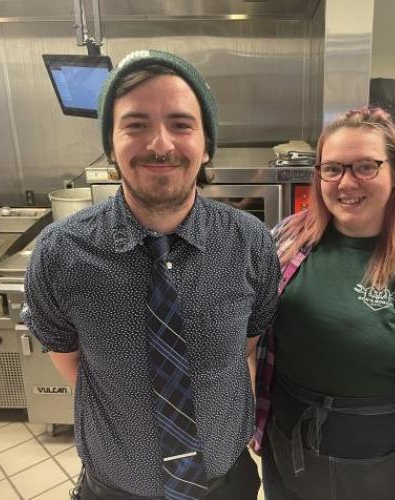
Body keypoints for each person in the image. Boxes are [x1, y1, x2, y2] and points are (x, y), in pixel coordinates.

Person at [22, 50, 280, 500]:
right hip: (115, 489)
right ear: (111, 144)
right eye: (136, 124)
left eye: (181, 124)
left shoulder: (250, 243)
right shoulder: (60, 253)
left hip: (227, 486)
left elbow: (245, 350)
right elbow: (73, 363)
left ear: (206, 144)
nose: (161, 144)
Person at [253, 106, 395, 500]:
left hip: (380, 469)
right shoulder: (286, 239)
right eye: (333, 169)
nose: (346, 183)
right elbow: (251, 340)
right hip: (287, 451)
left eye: (366, 166)